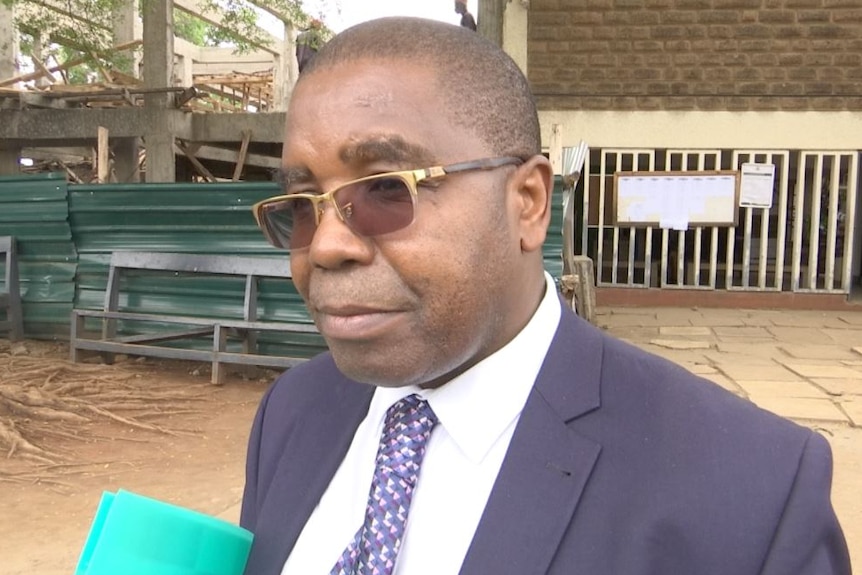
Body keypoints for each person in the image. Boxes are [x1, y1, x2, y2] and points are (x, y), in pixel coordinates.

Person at [240, 17, 851, 575]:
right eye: (301, 207)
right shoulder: (294, 411)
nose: (325, 247)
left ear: (528, 202)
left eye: (385, 191)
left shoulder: (751, 491)